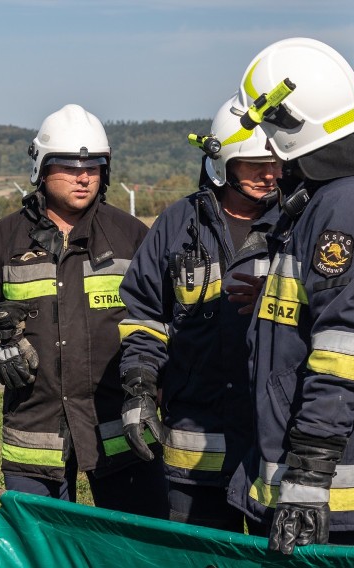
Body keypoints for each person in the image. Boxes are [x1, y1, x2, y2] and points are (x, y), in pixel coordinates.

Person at [226, 37, 354, 553]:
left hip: (342, 494)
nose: (266, 147)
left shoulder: (348, 204)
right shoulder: (345, 195)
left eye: (268, 130)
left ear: (291, 124)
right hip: (339, 482)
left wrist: (309, 475)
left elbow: (353, 345)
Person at [0, 104, 169, 518]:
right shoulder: (5, 238)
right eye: (69, 166)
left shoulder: (131, 236)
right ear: (41, 168)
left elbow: (162, 318)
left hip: (116, 424)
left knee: (135, 544)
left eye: (93, 166)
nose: (83, 177)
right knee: (40, 544)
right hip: (34, 428)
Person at [117, 95, 281, 530]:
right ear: (221, 163)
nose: (270, 174)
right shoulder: (177, 226)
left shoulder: (297, 223)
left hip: (274, 449)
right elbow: (145, 315)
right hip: (196, 448)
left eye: (275, 162)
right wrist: (138, 386)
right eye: (253, 165)